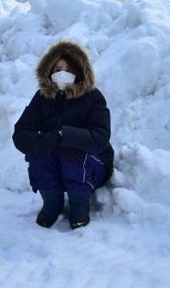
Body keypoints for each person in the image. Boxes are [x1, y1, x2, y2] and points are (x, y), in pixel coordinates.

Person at [12, 40, 114, 229]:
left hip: (92, 164)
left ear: (79, 71)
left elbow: (100, 138)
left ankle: (79, 208)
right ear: (49, 70)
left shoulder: (93, 97)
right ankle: (52, 204)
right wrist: (42, 143)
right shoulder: (43, 97)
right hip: (56, 163)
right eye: (58, 68)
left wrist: (62, 135)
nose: (62, 73)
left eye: (69, 68)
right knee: (38, 157)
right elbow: (21, 133)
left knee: (73, 157)